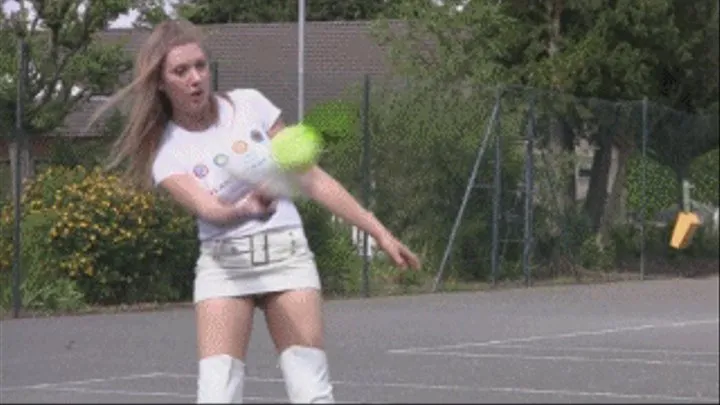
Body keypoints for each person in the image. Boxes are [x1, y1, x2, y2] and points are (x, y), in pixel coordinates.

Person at [90, 19, 421, 404]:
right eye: (180, 71)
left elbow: (311, 179)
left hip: (287, 256)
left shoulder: (250, 104)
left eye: (200, 65)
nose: (195, 77)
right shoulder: (168, 154)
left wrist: (376, 230)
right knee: (218, 395)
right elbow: (209, 208)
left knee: (311, 392)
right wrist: (243, 208)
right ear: (161, 82)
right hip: (224, 268)